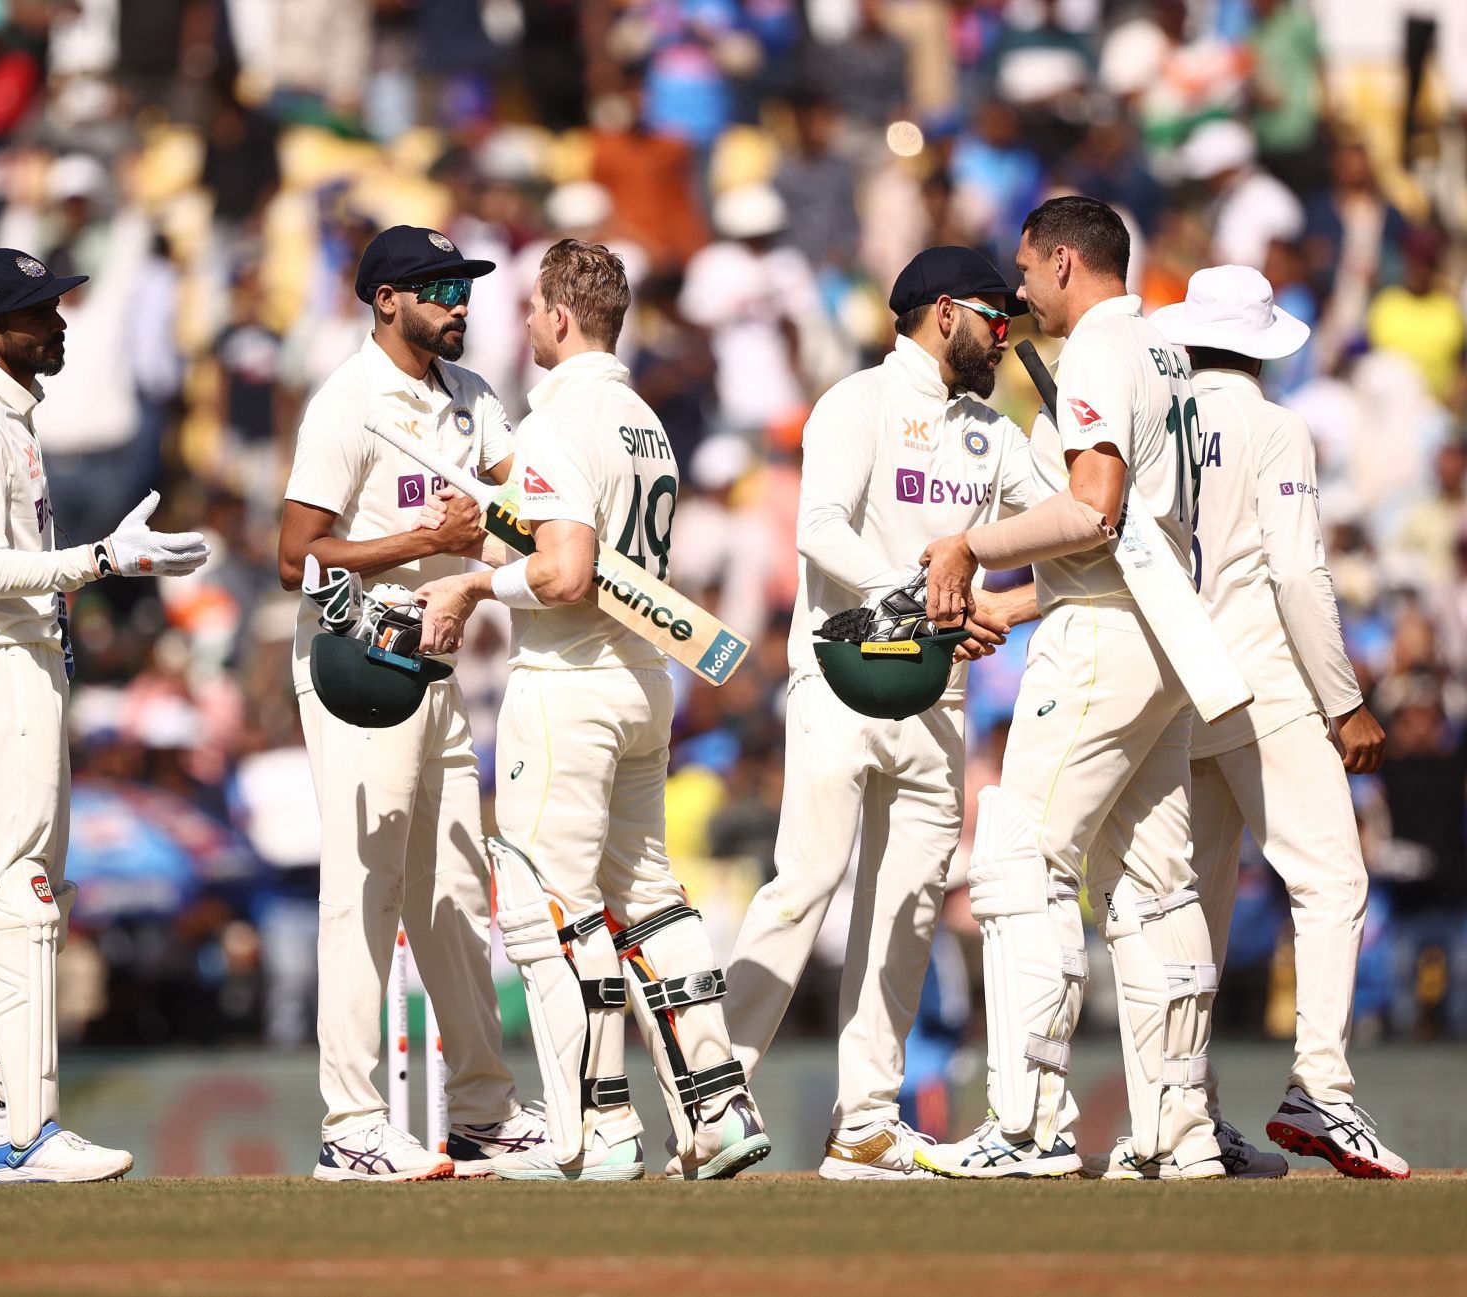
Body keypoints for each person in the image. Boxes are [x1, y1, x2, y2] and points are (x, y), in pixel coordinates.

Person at [414, 239, 769, 1181]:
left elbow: (568, 571)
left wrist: (471, 587)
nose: (525, 323)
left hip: (567, 686)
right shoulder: (645, 420)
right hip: (646, 683)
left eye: (532, 308)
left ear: (560, 318)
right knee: (647, 898)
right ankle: (719, 1107)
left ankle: (592, 1132)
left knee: (551, 911)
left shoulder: (558, 422)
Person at [0, 247, 210, 1183]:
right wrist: (102, 561)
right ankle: (23, 1131)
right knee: (20, 898)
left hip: (22, 664)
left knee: (15, 903)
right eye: (36, 314)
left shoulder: (10, 419)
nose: (57, 324)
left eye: (57, 307)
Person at [918, 195, 1224, 1180]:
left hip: (1103, 639)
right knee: (1154, 881)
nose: (1020, 289)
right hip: (1162, 632)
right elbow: (1129, 531)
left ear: (1060, 261)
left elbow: (1093, 510)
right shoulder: (1168, 353)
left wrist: (971, 546)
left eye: (1025, 267)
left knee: (1018, 857)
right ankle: (1182, 1130)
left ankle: (1029, 1124)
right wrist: (1015, 601)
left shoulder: (1095, 346)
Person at [723, 246, 1040, 1180]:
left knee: (906, 910)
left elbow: (1067, 527)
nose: (1006, 334)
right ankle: (712, 1096)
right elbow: (819, 530)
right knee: (803, 885)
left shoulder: (993, 431)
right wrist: (936, 598)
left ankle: (864, 1121)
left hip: (936, 696)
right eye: (995, 314)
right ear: (945, 312)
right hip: (846, 673)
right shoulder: (856, 403)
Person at [277, 225, 545, 1182]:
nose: (459, 302)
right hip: (357, 666)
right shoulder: (347, 404)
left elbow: (520, 507)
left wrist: (496, 531)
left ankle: (481, 1112)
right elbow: (293, 557)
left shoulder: (474, 398)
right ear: (384, 299)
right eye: (437, 286)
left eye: (465, 285)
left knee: (456, 889)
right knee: (366, 889)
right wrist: (419, 541)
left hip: (438, 672)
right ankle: (351, 1125)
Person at [1151, 264, 1409, 1178]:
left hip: (1176, 690)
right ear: (1261, 343)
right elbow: (1298, 574)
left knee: (1192, 912)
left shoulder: (1158, 419)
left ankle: (1184, 1114)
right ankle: (1323, 1090)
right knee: (1332, 882)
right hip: (1262, 684)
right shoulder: (1272, 425)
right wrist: (1344, 700)